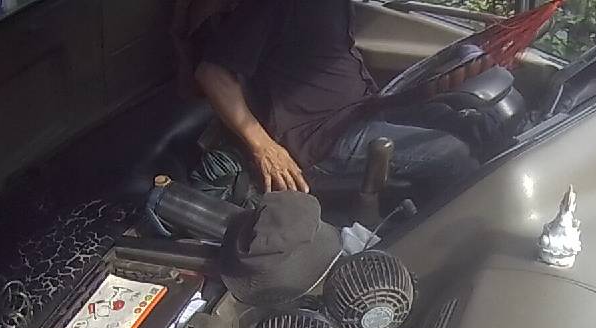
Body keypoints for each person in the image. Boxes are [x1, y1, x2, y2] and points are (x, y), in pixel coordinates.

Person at [181, 0, 478, 195]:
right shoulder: (272, 5)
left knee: (473, 122)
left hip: (364, 110)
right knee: (452, 154)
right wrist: (263, 147)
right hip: (323, 138)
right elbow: (212, 74)